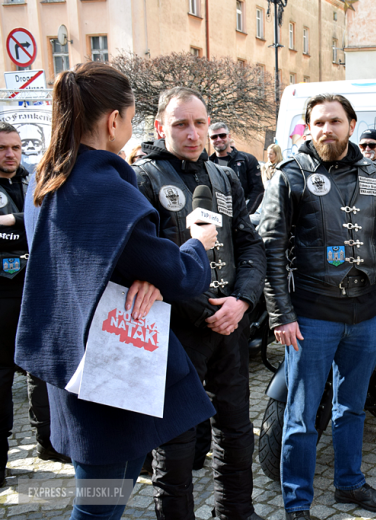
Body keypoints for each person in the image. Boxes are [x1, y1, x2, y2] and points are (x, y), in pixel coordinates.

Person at [15, 61, 218, 520]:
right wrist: (197, 244)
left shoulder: (46, 180)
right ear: (113, 121)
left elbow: (91, 258)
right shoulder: (105, 188)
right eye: (129, 118)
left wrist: (139, 272)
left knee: (109, 491)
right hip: (109, 365)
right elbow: (180, 275)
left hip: (74, 356)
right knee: (98, 505)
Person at [259, 93, 376, 520]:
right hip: (311, 317)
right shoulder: (291, 176)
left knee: (352, 409)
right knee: (301, 417)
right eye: (318, 122)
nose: (326, 129)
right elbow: (270, 248)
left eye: (335, 121)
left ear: (351, 124)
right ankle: (297, 503)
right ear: (308, 128)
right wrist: (280, 315)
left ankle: (349, 484)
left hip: (364, 318)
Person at [134, 88, 266, 520]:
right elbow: (143, 260)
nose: (193, 134)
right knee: (175, 440)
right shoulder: (144, 178)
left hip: (231, 325)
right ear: (160, 127)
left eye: (199, 123)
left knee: (236, 430)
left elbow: (250, 245)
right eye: (180, 124)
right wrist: (207, 311)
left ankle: (237, 512)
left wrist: (243, 302)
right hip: (175, 329)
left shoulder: (225, 176)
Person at [0, 123, 71, 487]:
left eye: (14, 147)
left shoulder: (32, 181)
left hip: (36, 291)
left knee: (41, 374)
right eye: (2, 148)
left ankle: (49, 443)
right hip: (2, 299)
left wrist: (12, 225)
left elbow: (46, 227)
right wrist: (18, 228)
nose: (10, 154)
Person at [208, 122, 264, 213]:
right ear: (209, 139)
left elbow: (258, 190)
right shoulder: (207, 164)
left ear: (229, 137)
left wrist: (244, 214)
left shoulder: (247, 160)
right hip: (216, 218)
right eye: (214, 137)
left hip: (241, 216)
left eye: (222, 135)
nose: (218, 139)